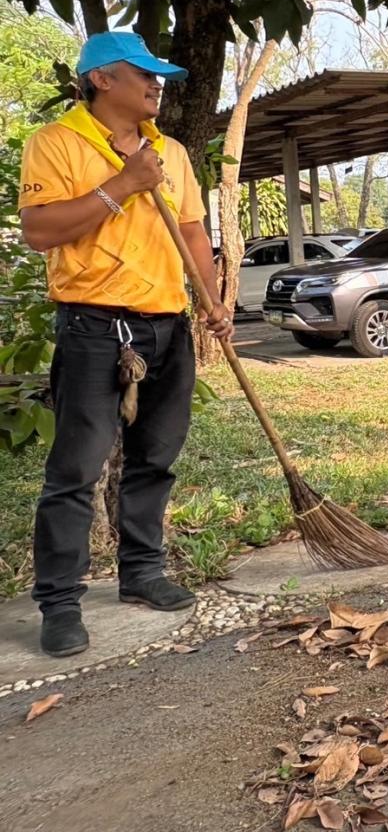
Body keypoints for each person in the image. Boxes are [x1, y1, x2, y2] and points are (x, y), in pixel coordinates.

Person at [19, 32, 232, 657]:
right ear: (102, 79)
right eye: (144, 73)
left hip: (166, 322)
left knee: (155, 458)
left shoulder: (171, 152)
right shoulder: (56, 143)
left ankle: (142, 572)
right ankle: (59, 601)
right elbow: (39, 230)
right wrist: (123, 184)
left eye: (159, 74)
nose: (156, 84)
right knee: (76, 470)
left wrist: (211, 298)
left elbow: (192, 231)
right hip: (92, 326)